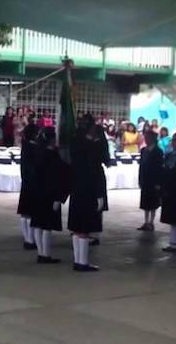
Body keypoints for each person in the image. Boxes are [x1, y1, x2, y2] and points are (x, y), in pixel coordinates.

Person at [68, 114, 107, 272]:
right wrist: (99, 194)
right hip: (89, 189)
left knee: (77, 227)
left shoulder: (75, 142)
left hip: (77, 187)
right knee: (85, 227)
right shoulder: (91, 146)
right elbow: (94, 170)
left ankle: (78, 261)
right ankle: (82, 263)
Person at [30, 127, 70, 264]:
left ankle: (41, 253)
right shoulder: (52, 155)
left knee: (38, 224)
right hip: (50, 194)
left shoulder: (38, 152)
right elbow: (59, 176)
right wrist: (59, 196)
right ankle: (46, 254)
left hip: (37, 192)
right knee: (47, 226)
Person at [17, 123, 40, 250]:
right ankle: (31, 239)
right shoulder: (33, 147)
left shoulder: (25, 146)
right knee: (31, 213)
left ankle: (27, 239)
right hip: (32, 182)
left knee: (25, 213)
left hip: (26, 182)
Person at [137, 131, 163, 231]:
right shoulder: (143, 150)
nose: (146, 139)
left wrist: (158, 183)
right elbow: (141, 166)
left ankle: (151, 222)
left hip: (153, 180)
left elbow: (159, 168)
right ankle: (146, 221)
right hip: (145, 180)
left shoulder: (158, 151)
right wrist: (140, 179)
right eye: (146, 137)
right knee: (145, 202)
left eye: (148, 138)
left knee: (153, 202)